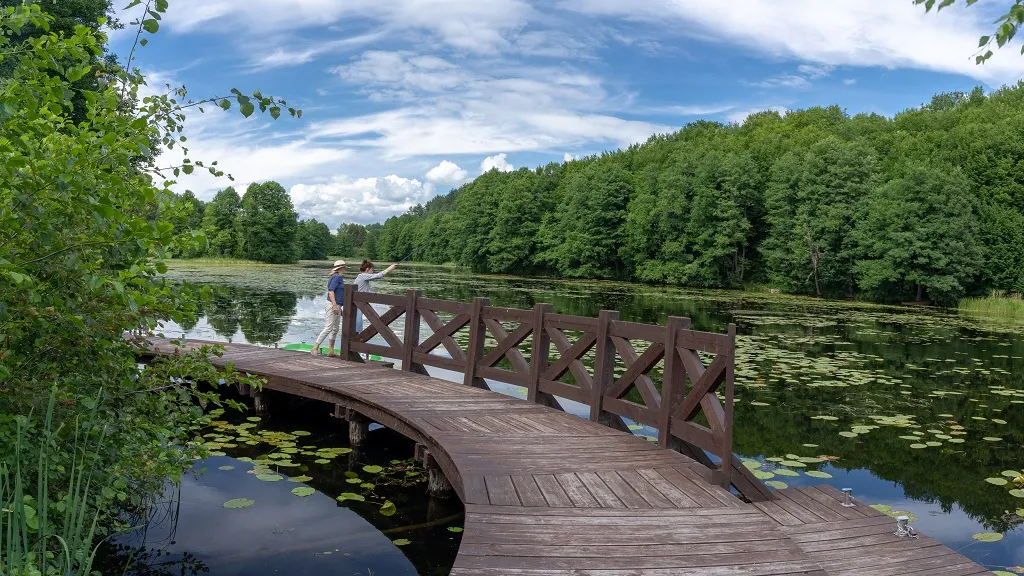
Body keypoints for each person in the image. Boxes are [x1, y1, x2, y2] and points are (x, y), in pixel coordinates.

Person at [311, 260, 346, 357]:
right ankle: (315, 347)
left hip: (337, 304)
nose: (345, 269)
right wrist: (334, 305)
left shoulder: (336, 276)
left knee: (335, 328)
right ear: (341, 268)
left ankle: (331, 350)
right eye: (344, 267)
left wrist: (339, 307)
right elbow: (331, 291)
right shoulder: (337, 277)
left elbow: (338, 293)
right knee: (329, 327)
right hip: (332, 304)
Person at [353, 259, 397, 335]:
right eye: (372, 270)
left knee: (359, 323)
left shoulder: (362, 277)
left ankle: (357, 337)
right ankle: (356, 337)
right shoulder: (363, 276)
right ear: (367, 269)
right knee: (358, 324)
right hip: (358, 304)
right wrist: (390, 268)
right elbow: (378, 276)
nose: (372, 272)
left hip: (360, 303)